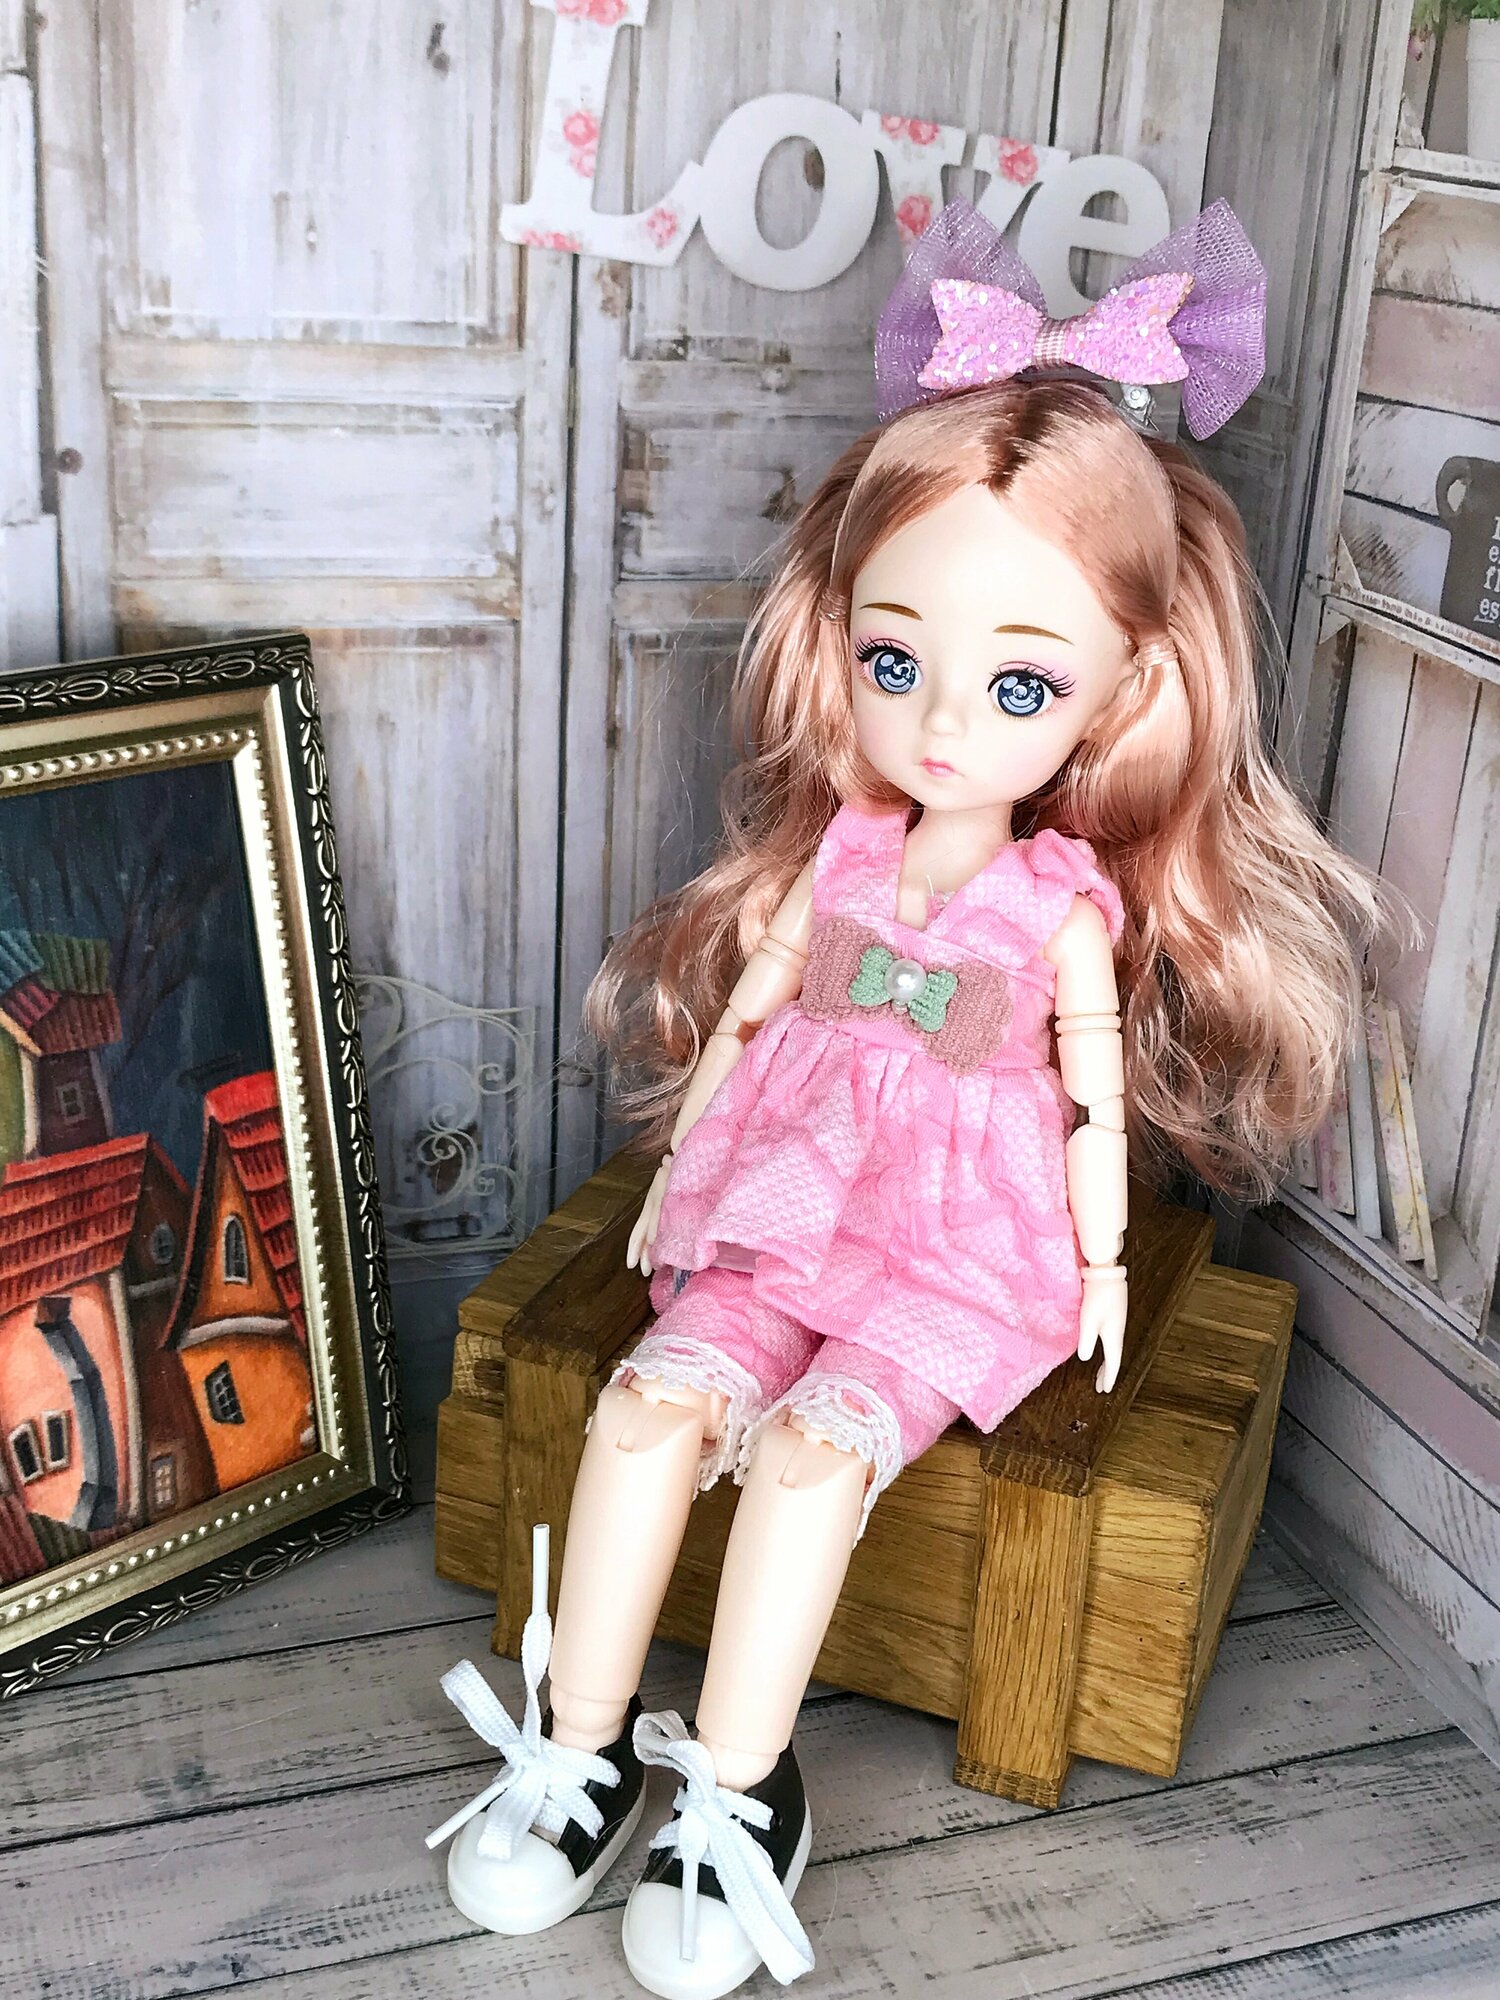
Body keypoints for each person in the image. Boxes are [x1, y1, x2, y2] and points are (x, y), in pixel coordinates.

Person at [428, 200, 1395, 1998]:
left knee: (809, 1461)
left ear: (1125, 693)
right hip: (786, 1190)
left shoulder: (1058, 907)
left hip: (958, 1237)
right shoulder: (851, 852)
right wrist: (682, 1164)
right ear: (843, 641)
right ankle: (577, 1756)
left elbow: (1090, 1106)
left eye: (1020, 681)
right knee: (642, 1414)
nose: (944, 723)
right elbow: (755, 1005)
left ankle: (741, 1793)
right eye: (898, 661)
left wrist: (1100, 1271)